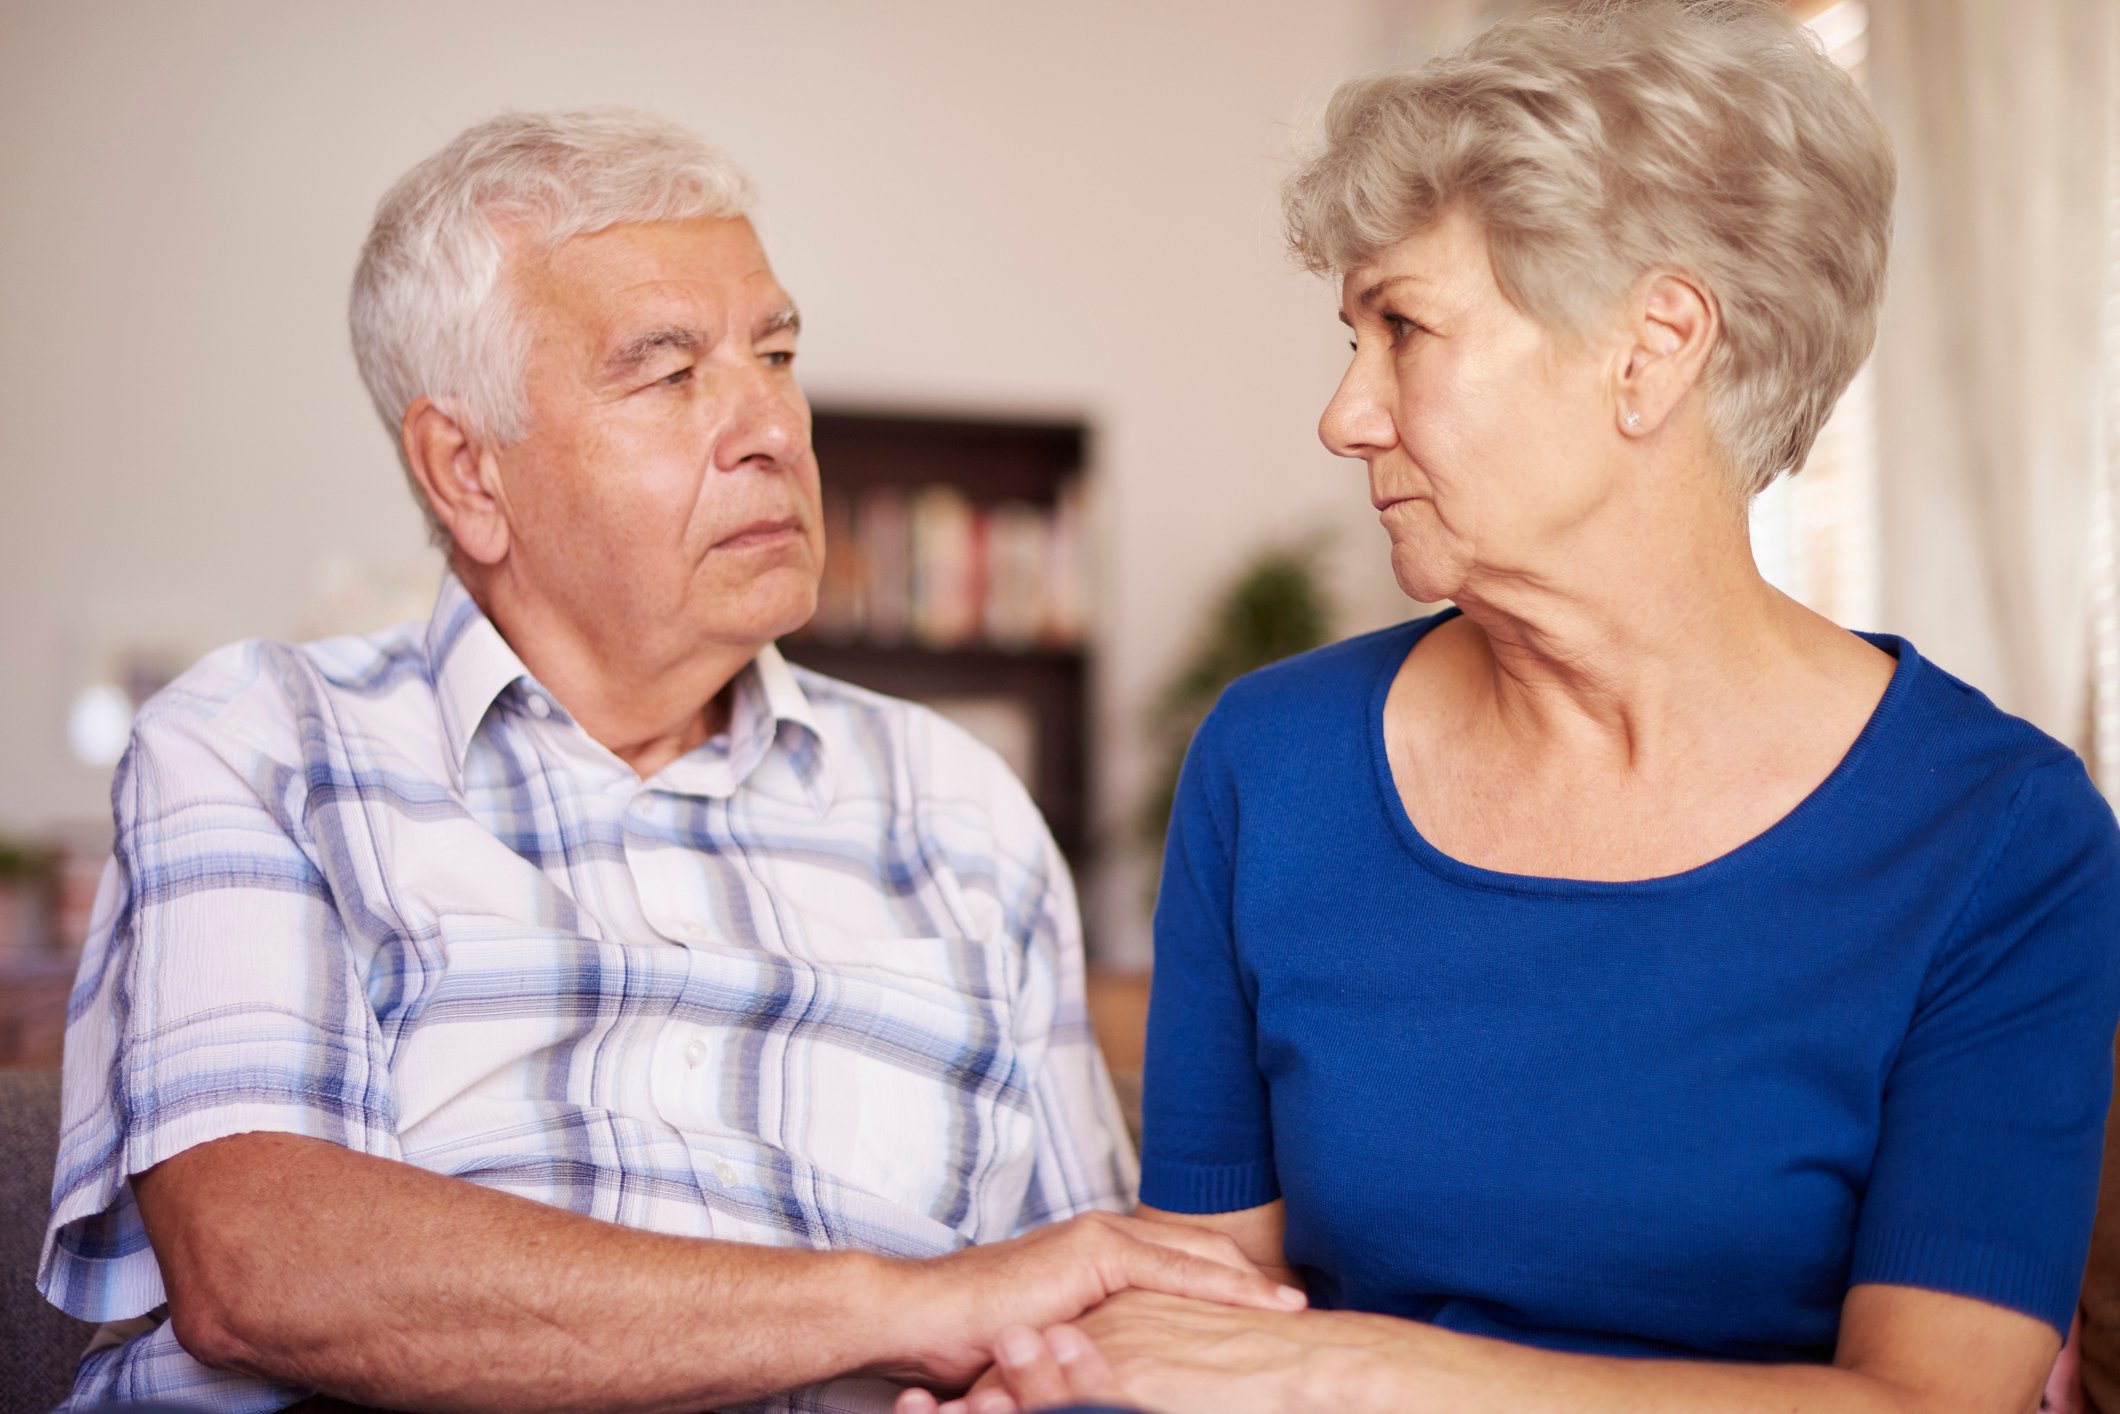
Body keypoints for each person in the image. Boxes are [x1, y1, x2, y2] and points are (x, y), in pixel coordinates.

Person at [898, 3, 2120, 1412]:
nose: (1345, 414)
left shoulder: (2001, 835)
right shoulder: (1273, 763)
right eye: (1350, 335)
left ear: (1653, 348)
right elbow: (1200, 1323)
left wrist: (1347, 1369)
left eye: (1403, 327)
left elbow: (1932, 1402)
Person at [36, 109, 1304, 1414]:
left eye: (778, 353)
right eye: (670, 372)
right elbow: (264, 1263)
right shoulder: (263, 743)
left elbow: (1076, 1306)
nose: (772, 427)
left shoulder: (960, 807)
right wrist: (902, 1303)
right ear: (467, 471)